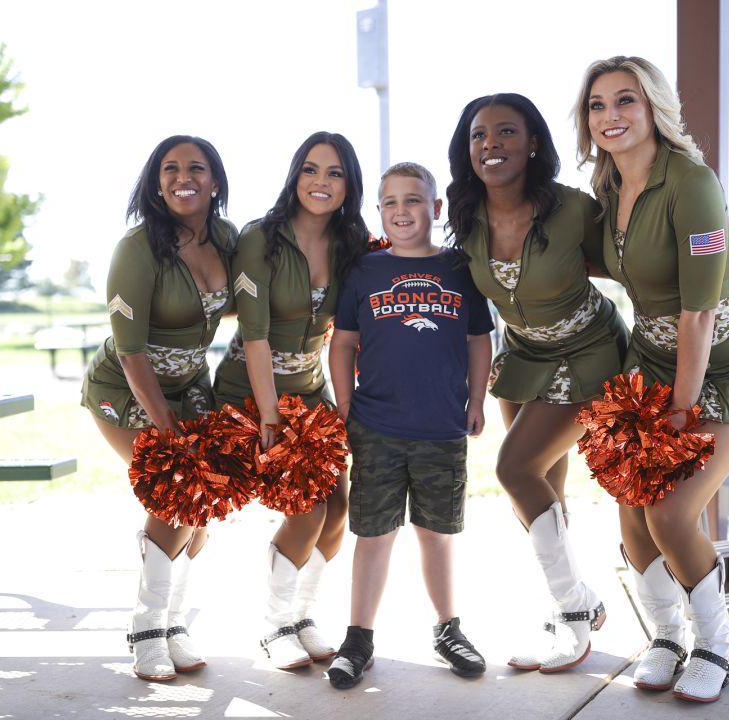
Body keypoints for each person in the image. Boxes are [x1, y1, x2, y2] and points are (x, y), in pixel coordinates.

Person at [573, 56, 729, 703]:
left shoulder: (692, 182)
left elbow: (695, 312)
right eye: (598, 105)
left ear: (653, 106)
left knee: (671, 511)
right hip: (651, 366)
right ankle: (665, 637)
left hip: (725, 370)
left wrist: (681, 412)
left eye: (625, 100)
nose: (611, 116)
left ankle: (714, 641)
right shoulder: (608, 190)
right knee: (632, 513)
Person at [444, 93, 628, 673]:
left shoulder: (572, 209)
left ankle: (578, 611)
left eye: (505, 132)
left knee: (513, 470)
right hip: (524, 356)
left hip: (590, 350)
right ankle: (565, 609)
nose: (490, 144)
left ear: (532, 144)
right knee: (543, 487)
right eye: (479, 135)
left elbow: (631, 263)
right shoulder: (467, 215)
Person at [325, 162, 494, 689]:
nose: (402, 211)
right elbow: (343, 342)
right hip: (376, 424)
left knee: (436, 533)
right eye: (391, 202)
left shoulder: (459, 268)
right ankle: (358, 637)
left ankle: (448, 628)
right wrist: (346, 402)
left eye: (414, 200)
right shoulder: (365, 271)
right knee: (374, 534)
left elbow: (478, 340)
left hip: (442, 424)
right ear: (379, 211)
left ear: (436, 208)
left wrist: (477, 400)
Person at [212, 131, 370, 670]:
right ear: (294, 176)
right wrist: (270, 414)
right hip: (251, 393)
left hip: (312, 392)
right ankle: (274, 626)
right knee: (308, 509)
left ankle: (302, 615)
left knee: (339, 509)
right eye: (310, 169)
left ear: (349, 185)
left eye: (333, 173)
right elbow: (254, 336)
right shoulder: (263, 238)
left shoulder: (352, 244)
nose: (320, 183)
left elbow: (356, 331)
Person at [80, 135, 236, 681]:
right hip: (125, 388)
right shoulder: (137, 247)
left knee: (200, 516)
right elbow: (130, 350)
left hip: (191, 386)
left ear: (214, 181)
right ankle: (146, 630)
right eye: (170, 168)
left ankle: (172, 626)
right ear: (155, 180)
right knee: (177, 492)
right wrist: (167, 427)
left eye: (196, 167)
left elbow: (257, 303)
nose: (182, 176)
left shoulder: (226, 238)